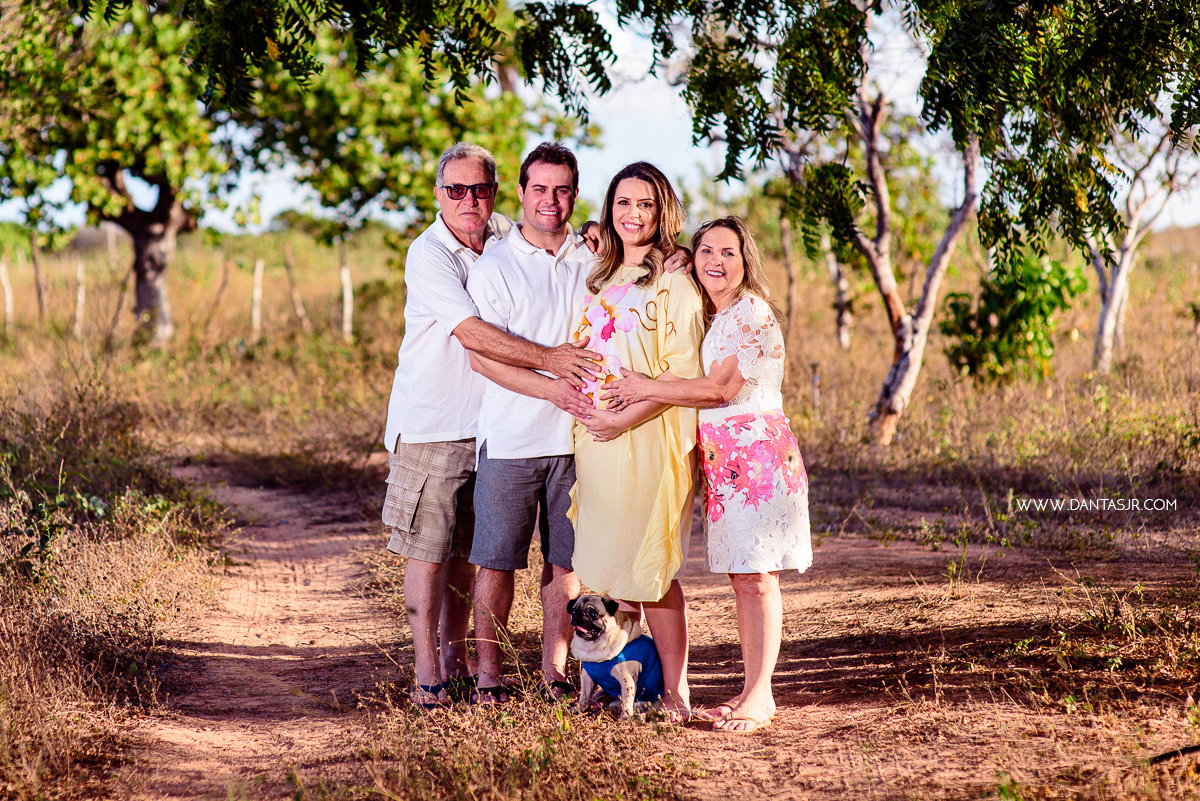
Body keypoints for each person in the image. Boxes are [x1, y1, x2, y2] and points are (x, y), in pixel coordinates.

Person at [382, 142, 599, 708]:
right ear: (438, 195)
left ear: (496, 192)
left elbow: (552, 222)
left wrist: (598, 231)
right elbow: (472, 334)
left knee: (467, 551)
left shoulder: (503, 230)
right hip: (434, 422)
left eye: (479, 188)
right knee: (431, 549)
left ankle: (460, 661)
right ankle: (428, 668)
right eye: (455, 190)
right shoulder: (429, 254)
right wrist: (552, 361)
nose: (468, 200)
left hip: (487, 422)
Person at [603, 216, 812, 733]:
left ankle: (760, 696)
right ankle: (750, 690)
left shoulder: (749, 314)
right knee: (743, 579)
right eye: (707, 252)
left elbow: (718, 391)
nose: (717, 262)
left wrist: (644, 388)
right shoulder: (713, 315)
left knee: (757, 579)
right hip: (724, 459)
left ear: (746, 264)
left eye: (729, 254)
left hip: (757, 457)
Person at [567, 162, 706, 722]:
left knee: (649, 572)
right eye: (623, 202)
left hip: (648, 437)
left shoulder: (675, 281)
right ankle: (621, 676)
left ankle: (676, 689)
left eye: (645, 204)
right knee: (604, 567)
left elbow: (681, 372)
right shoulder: (598, 277)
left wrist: (625, 421)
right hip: (596, 442)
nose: (633, 214)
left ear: (663, 211)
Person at [463, 142, 598, 703]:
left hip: (578, 441)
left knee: (565, 563)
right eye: (539, 189)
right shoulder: (494, 265)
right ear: (520, 193)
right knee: (496, 563)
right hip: (512, 438)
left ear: (574, 193)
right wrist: (554, 384)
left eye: (562, 189)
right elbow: (482, 358)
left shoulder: (593, 260)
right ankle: (490, 676)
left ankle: (554, 674)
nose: (551, 200)